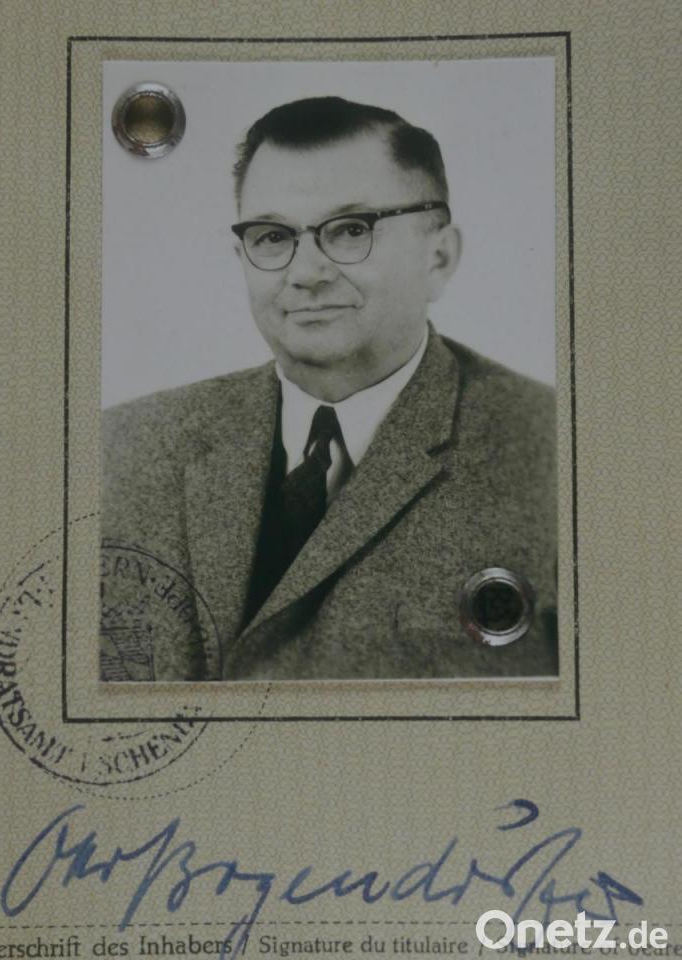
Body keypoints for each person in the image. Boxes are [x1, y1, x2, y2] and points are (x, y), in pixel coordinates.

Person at [101, 96, 557, 682]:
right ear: (242, 257)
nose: (306, 273)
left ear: (439, 257)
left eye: (350, 230)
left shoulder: (554, 451)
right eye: (272, 236)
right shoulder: (121, 448)